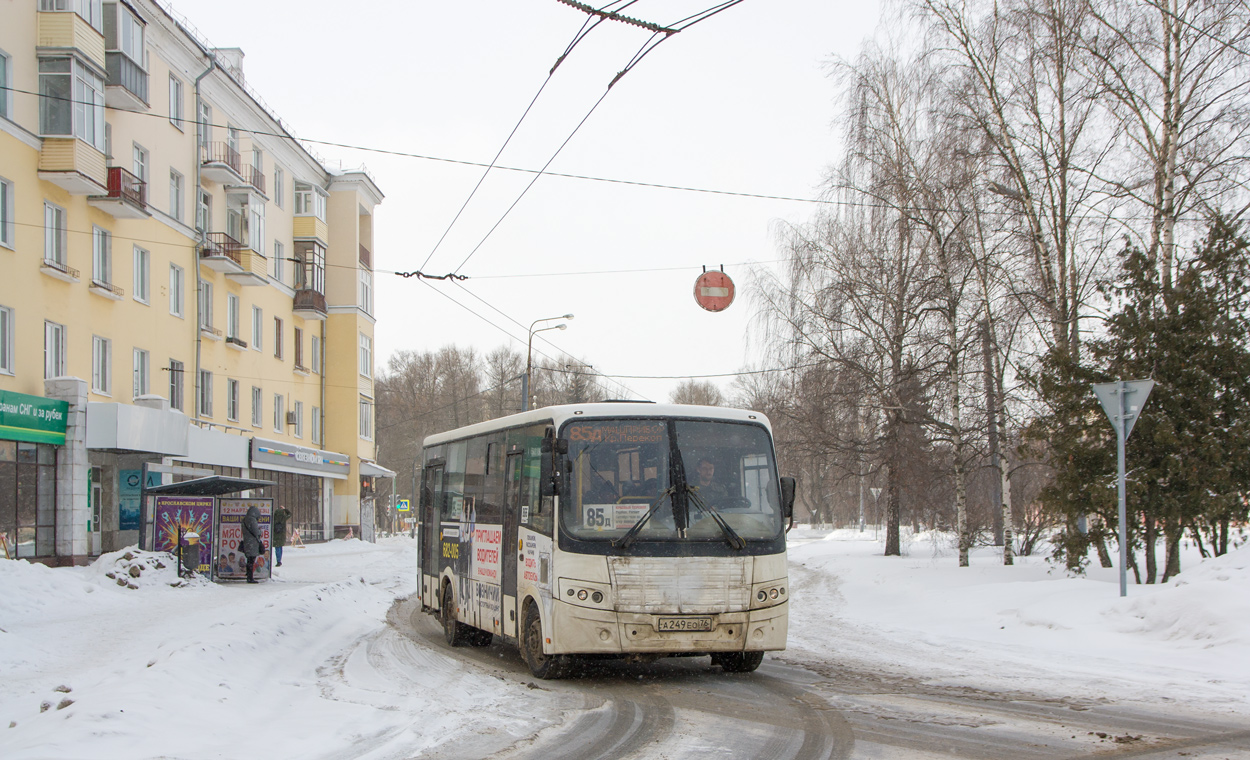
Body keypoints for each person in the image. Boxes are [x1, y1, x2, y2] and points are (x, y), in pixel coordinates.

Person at [241, 505, 264, 583]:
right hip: (252, 543)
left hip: (247, 541)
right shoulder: (252, 520)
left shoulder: (245, 519)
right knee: (251, 560)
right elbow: (256, 532)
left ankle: (248, 575)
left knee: (249, 560)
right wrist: (260, 531)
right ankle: (250, 577)